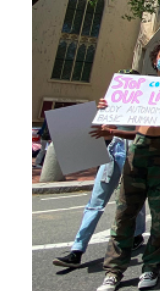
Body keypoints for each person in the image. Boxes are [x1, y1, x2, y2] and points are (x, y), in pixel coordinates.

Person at [94, 41, 160, 291]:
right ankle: (113, 271)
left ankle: (151, 267)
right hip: (138, 154)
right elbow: (131, 129)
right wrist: (107, 111)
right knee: (124, 214)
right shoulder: (139, 89)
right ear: (155, 61)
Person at [51, 69, 146, 270]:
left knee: (134, 197)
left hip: (135, 151)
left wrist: (111, 129)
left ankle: (137, 234)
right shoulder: (109, 103)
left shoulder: (144, 104)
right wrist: (101, 112)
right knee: (96, 201)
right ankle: (77, 250)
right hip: (112, 151)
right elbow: (99, 132)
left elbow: (140, 132)